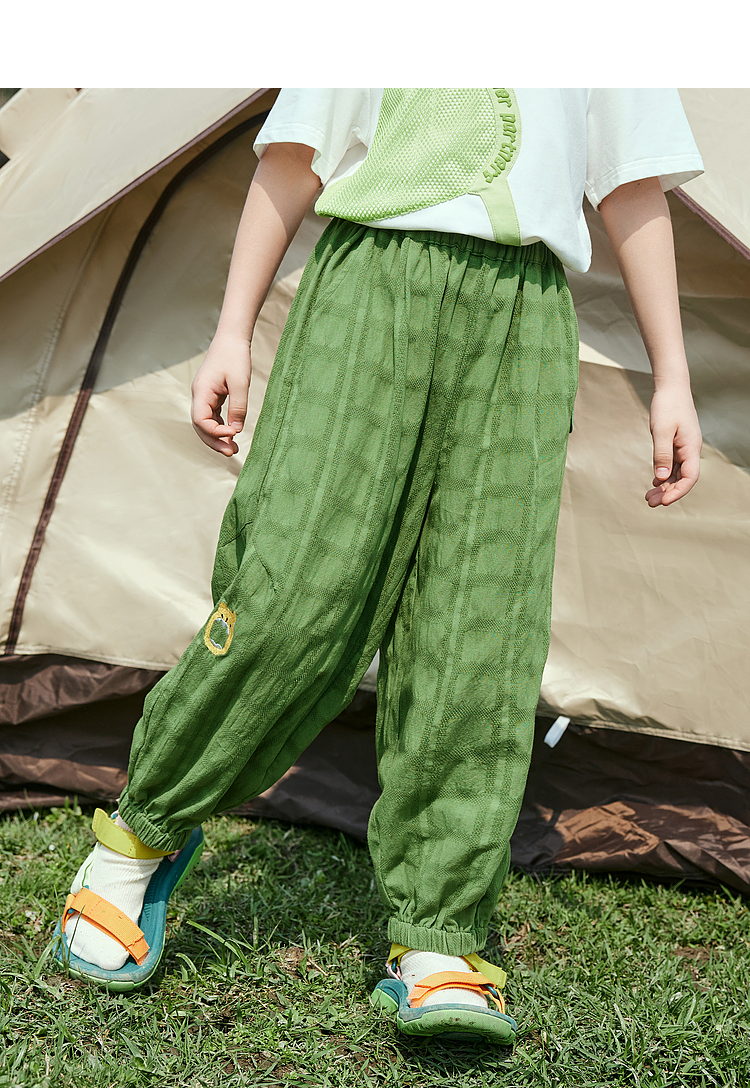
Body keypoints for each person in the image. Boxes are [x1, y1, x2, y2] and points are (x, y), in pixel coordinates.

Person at [53, 89, 704, 1043]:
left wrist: (673, 379)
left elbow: (633, 187)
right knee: (292, 595)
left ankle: (439, 931)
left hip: (521, 319)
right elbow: (294, 159)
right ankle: (138, 837)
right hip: (370, 292)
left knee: (478, 630)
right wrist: (231, 331)